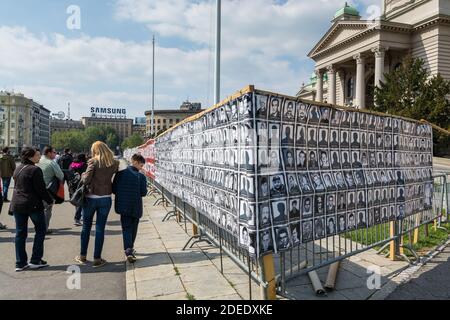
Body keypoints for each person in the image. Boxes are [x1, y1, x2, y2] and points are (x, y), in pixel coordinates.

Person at [76, 141, 120, 268]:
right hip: (106, 197)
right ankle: (97, 258)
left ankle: (83, 256)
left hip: (91, 197)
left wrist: (83, 175)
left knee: (86, 227)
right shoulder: (114, 163)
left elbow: (86, 180)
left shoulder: (93, 162)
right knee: (100, 228)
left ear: (95, 150)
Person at [10, 148, 54, 271]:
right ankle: (35, 260)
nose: (39, 157)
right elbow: (41, 189)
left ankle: (20, 262)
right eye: (37, 155)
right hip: (33, 205)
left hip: (17, 204)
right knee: (40, 230)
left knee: (20, 233)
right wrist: (50, 201)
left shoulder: (18, 168)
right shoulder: (35, 170)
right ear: (30, 157)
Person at [112, 154, 147, 263]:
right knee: (133, 228)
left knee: (126, 228)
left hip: (123, 206)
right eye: (141, 165)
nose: (141, 168)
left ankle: (128, 250)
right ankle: (130, 249)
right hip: (135, 206)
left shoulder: (119, 174)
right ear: (135, 162)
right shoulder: (141, 177)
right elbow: (143, 193)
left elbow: (114, 189)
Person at [37, 146, 64, 234]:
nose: (55, 154)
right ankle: (44, 228)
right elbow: (61, 176)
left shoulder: (37, 161)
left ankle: (38, 226)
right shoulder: (52, 163)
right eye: (54, 152)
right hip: (48, 190)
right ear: (49, 153)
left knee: (37, 209)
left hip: (36, 190)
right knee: (47, 209)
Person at [69, 154, 88, 226]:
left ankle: (79, 217)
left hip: (72, 185)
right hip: (81, 185)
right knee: (81, 201)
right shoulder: (85, 165)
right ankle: (78, 218)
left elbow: (69, 174)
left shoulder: (72, 165)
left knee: (76, 200)